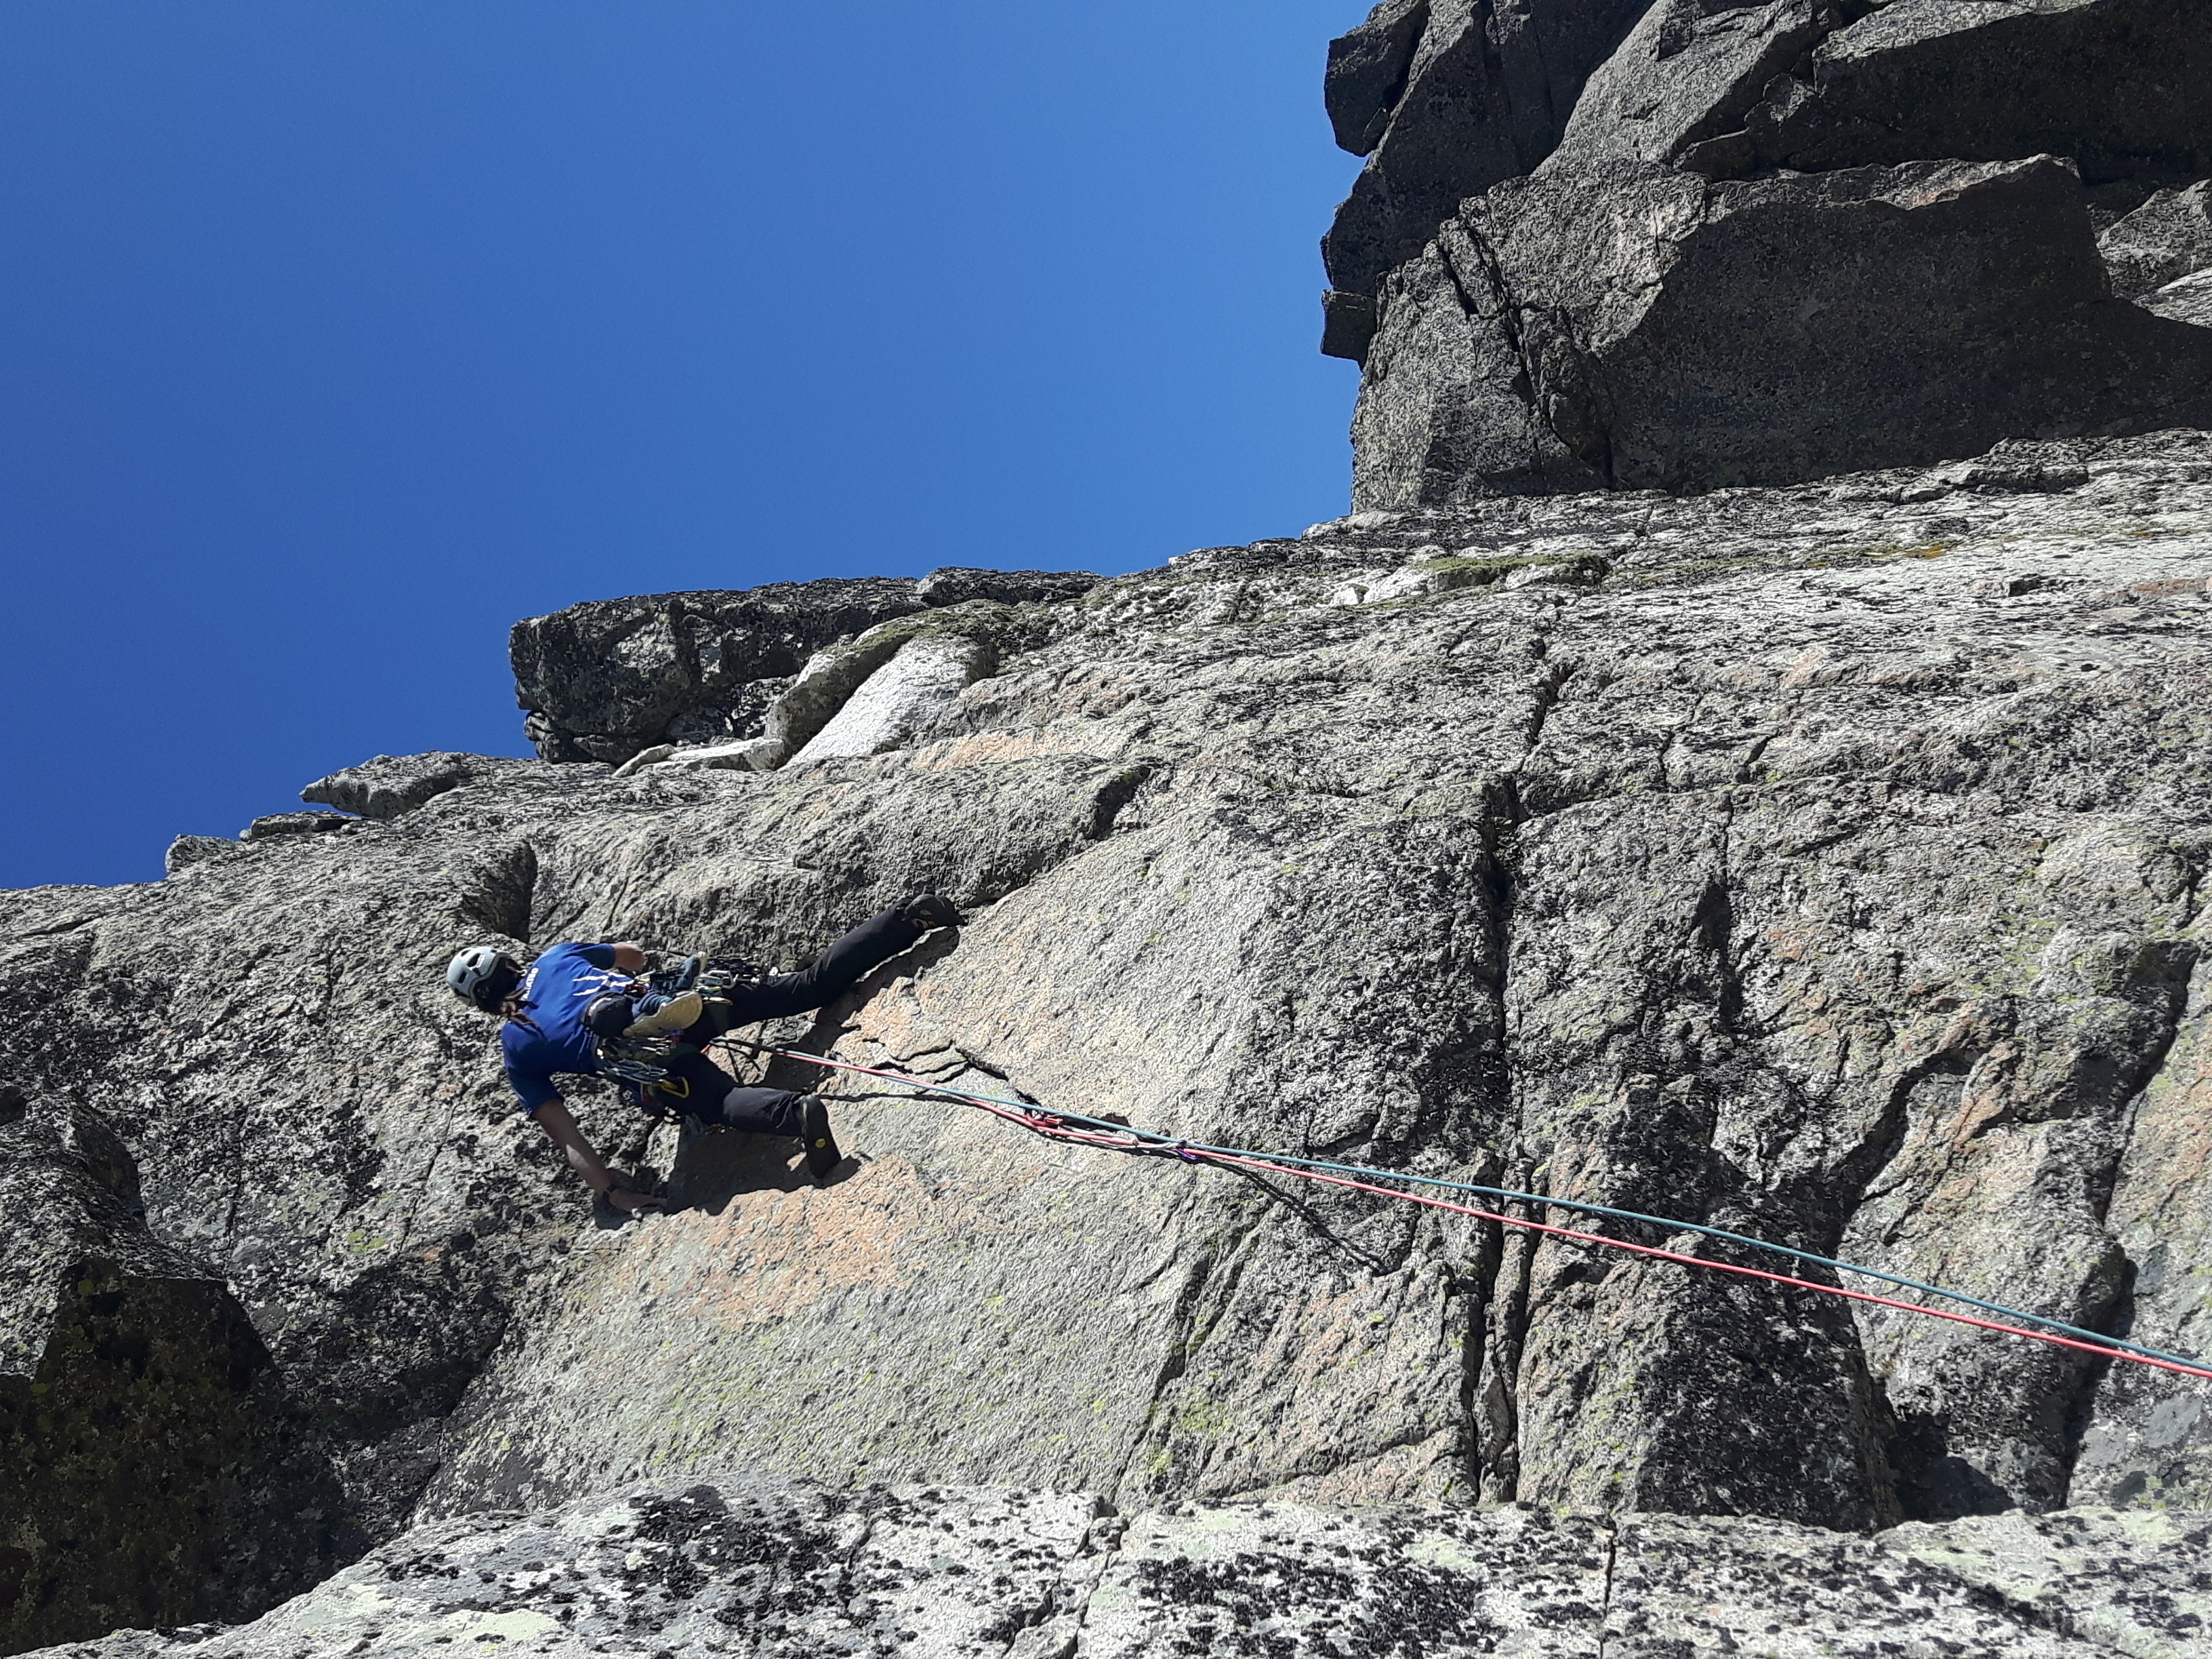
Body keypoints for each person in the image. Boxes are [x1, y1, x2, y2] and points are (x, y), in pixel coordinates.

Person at [445, 895, 960, 1213]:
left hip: (653, 1065)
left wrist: (609, 1190)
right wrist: (616, 973)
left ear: (482, 1003)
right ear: (510, 962)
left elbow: (566, 1134)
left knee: (718, 1101)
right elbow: (633, 954)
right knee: (804, 988)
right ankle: (905, 921)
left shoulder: (516, 1047)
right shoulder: (558, 957)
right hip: (690, 1003)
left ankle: (795, 1114)